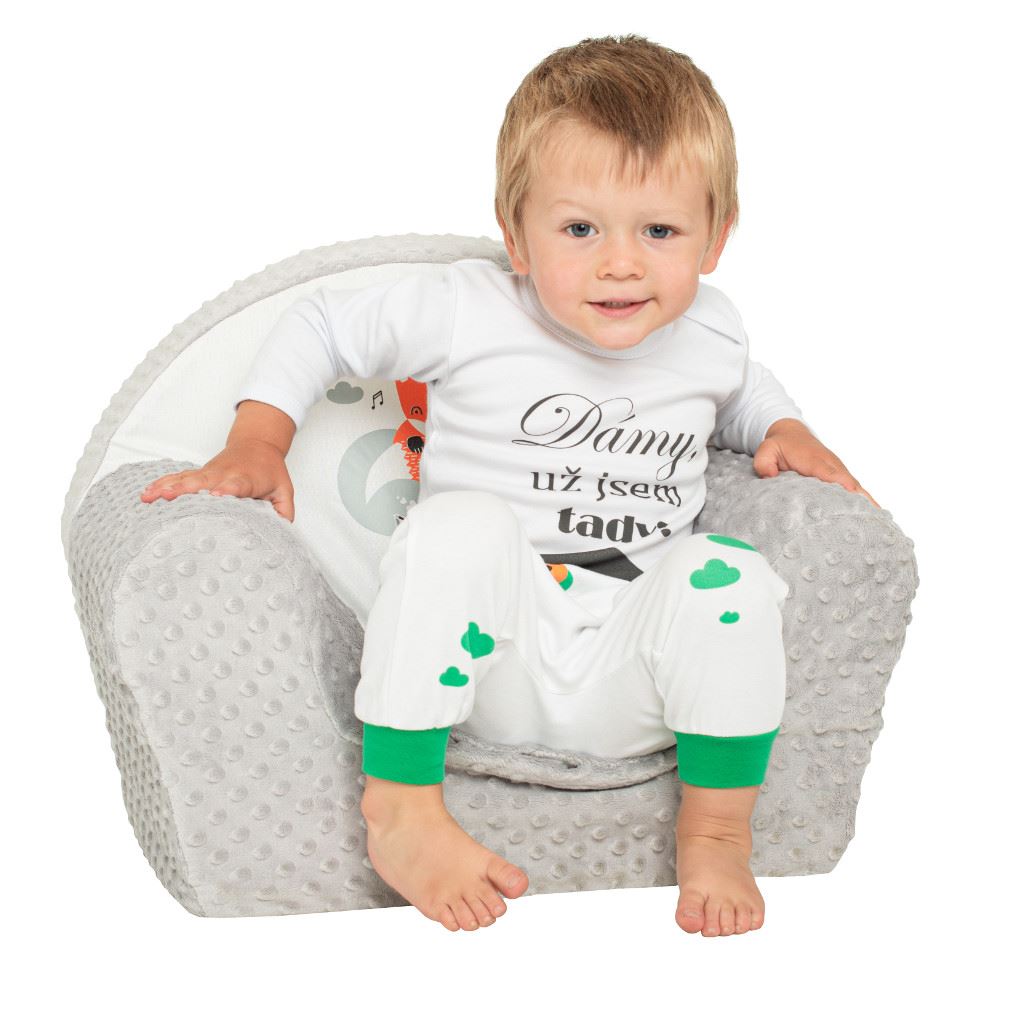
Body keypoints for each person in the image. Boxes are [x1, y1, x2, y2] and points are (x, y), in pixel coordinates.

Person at [140, 34, 877, 938]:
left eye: (659, 231)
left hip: (634, 671)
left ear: (716, 236)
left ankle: (718, 830)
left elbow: (741, 392)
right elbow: (322, 324)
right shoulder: (471, 309)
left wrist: (784, 429)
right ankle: (402, 807)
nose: (620, 262)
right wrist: (259, 440)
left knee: (727, 577)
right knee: (461, 528)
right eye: (580, 229)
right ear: (515, 233)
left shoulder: (711, 334)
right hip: (487, 658)